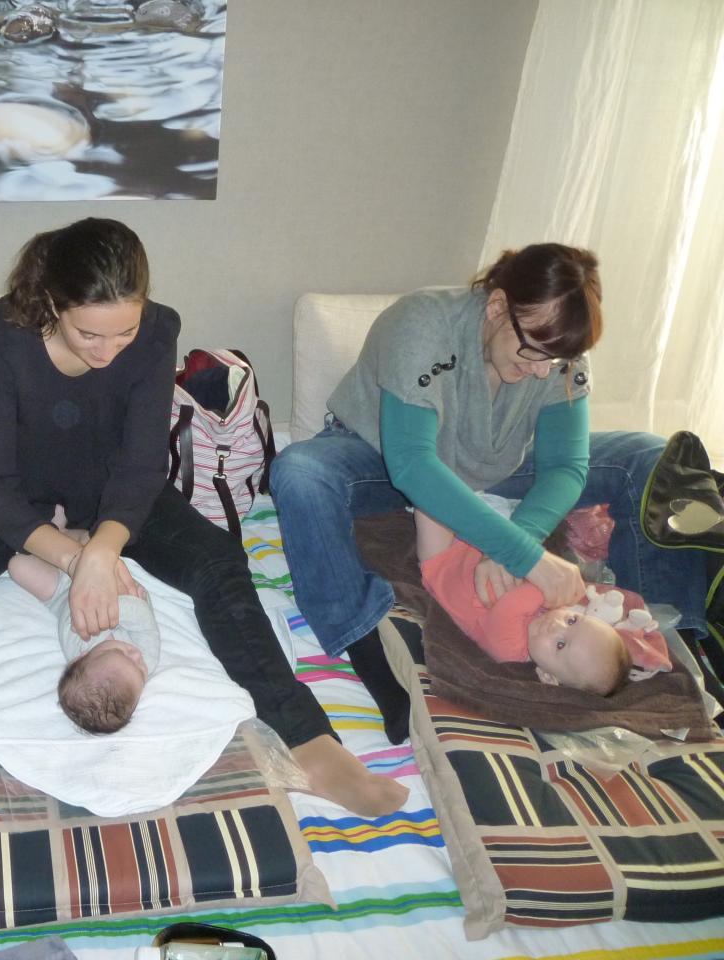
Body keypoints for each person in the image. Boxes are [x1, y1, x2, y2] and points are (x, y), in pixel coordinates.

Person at [0, 217, 407, 878]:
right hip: (15, 494)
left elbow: (141, 470)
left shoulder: (159, 329)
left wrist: (105, 549)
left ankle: (309, 741)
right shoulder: (7, 330)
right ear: (52, 302)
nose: (108, 351)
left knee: (219, 558)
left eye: (124, 331)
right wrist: (75, 560)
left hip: (114, 493)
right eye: (88, 333)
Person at [269, 243, 709, 742]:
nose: (545, 371)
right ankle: (363, 645)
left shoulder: (556, 349)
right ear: (497, 306)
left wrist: (518, 541)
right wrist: (527, 557)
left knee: (649, 455)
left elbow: (566, 465)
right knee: (298, 473)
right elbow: (413, 464)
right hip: (380, 460)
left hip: (495, 466)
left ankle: (677, 647)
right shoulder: (423, 325)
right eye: (533, 353)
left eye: (558, 359)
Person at [414, 510, 630, 696]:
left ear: (548, 676)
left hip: (442, 561)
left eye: (560, 644)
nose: (557, 626)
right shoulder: (546, 613)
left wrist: (550, 587)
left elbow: (510, 605)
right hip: (477, 546)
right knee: (456, 483)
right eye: (572, 621)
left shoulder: (511, 650)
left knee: (426, 498)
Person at [7, 506, 158, 734]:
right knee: (92, 543)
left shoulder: (81, 645)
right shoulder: (149, 659)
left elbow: (76, 616)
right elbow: (144, 622)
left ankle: (54, 535)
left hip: (63, 594)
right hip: (115, 584)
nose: (137, 656)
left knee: (17, 566)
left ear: (81, 657)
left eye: (123, 654)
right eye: (139, 668)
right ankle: (61, 535)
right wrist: (120, 605)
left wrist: (107, 610)